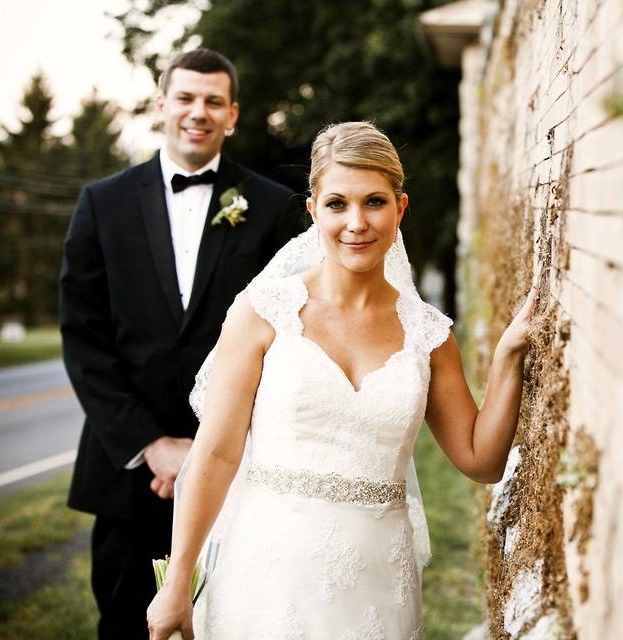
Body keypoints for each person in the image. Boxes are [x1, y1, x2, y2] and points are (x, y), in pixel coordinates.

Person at [146, 121, 536, 639]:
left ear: (401, 208)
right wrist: (177, 584)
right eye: (337, 204)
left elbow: (481, 460)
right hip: (265, 580)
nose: (356, 222)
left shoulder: (428, 335)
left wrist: (510, 357)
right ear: (313, 212)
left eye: (374, 202)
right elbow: (215, 455)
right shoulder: (263, 313)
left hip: (379, 590)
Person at [59, 48, 302, 639]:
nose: (199, 112)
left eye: (213, 101)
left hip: (238, 470)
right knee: (125, 625)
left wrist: (213, 445)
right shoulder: (102, 203)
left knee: (233, 623)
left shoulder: (273, 208)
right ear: (162, 104)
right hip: (129, 473)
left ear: (233, 114)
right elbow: (82, 336)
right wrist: (152, 445)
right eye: (186, 98)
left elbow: (291, 336)